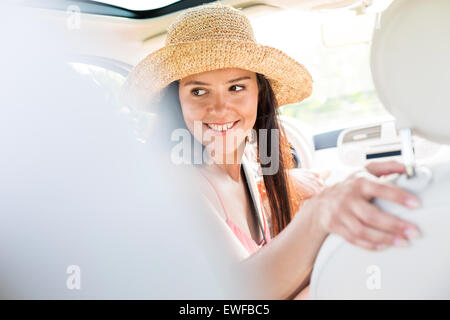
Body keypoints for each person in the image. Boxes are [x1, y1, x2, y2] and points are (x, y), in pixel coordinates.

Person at [121, 3, 422, 299]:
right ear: (178, 102)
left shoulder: (251, 173)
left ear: (259, 93)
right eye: (198, 91)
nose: (219, 108)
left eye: (236, 88)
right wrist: (319, 213)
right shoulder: (175, 183)